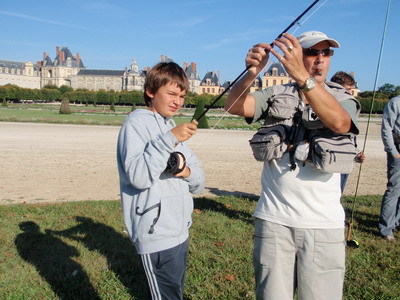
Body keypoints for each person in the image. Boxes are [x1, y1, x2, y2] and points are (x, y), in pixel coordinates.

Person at [224, 31, 360, 299]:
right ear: (296, 55)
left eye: (326, 53)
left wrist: (303, 78)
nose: (320, 59)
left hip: (325, 225)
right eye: (311, 52)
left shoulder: (342, 97)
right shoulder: (276, 93)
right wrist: (250, 73)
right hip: (274, 222)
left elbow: (340, 123)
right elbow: (234, 107)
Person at [117, 61, 205, 299]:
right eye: (172, 94)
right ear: (150, 91)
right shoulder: (136, 123)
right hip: (155, 234)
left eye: (183, 96)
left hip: (179, 230)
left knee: (174, 292)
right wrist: (169, 140)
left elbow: (200, 182)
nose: (178, 101)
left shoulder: (170, 127)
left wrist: (185, 171)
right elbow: (138, 177)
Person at [330, 71, 365, 193]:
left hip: (345, 158)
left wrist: (355, 154)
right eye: (348, 89)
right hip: (333, 159)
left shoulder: (348, 104)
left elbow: (349, 136)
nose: (351, 93)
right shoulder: (332, 103)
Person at [379, 95, 400, 242]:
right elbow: (386, 127)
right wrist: (393, 151)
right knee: (394, 188)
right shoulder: (395, 102)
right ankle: (386, 229)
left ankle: (397, 223)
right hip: (397, 149)